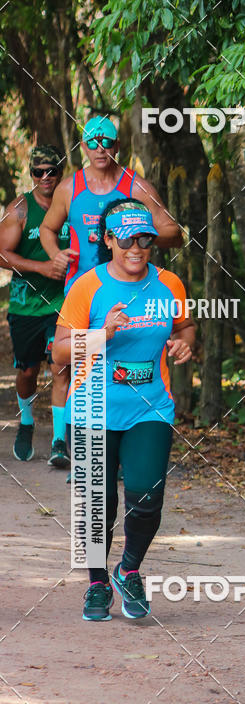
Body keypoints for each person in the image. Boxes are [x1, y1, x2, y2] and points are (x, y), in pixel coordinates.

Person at [52, 199, 195, 622]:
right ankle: (97, 583)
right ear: (109, 240)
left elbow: (185, 325)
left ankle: (128, 569)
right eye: (127, 239)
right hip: (92, 406)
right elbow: (59, 353)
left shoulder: (169, 284)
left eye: (145, 239)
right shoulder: (87, 286)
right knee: (98, 503)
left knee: (147, 496)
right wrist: (100, 334)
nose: (137, 247)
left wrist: (186, 342)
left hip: (149, 407)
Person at [40, 115, 182, 295]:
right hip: (80, 289)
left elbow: (175, 234)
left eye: (106, 142)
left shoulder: (136, 187)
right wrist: (55, 254)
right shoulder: (68, 189)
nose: (100, 149)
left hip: (128, 292)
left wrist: (138, 233)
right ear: (84, 147)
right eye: (92, 143)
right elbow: (46, 228)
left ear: (117, 146)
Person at [0, 145, 71, 465]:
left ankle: (59, 440)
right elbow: (2, 254)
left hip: (63, 302)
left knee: (61, 367)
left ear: (61, 171)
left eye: (51, 171)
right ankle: (26, 422)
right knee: (28, 370)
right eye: (38, 172)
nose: (45, 177)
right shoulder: (20, 208)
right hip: (26, 305)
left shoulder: (72, 204)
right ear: (31, 174)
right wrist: (41, 267)